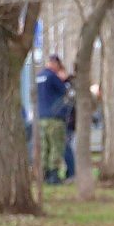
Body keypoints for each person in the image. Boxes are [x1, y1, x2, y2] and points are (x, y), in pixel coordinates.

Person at [34, 55, 74, 185]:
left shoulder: (39, 76)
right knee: (56, 146)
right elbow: (65, 91)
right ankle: (53, 176)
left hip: (42, 117)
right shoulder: (53, 76)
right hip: (55, 118)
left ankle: (43, 174)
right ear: (55, 64)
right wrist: (65, 80)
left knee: (45, 147)